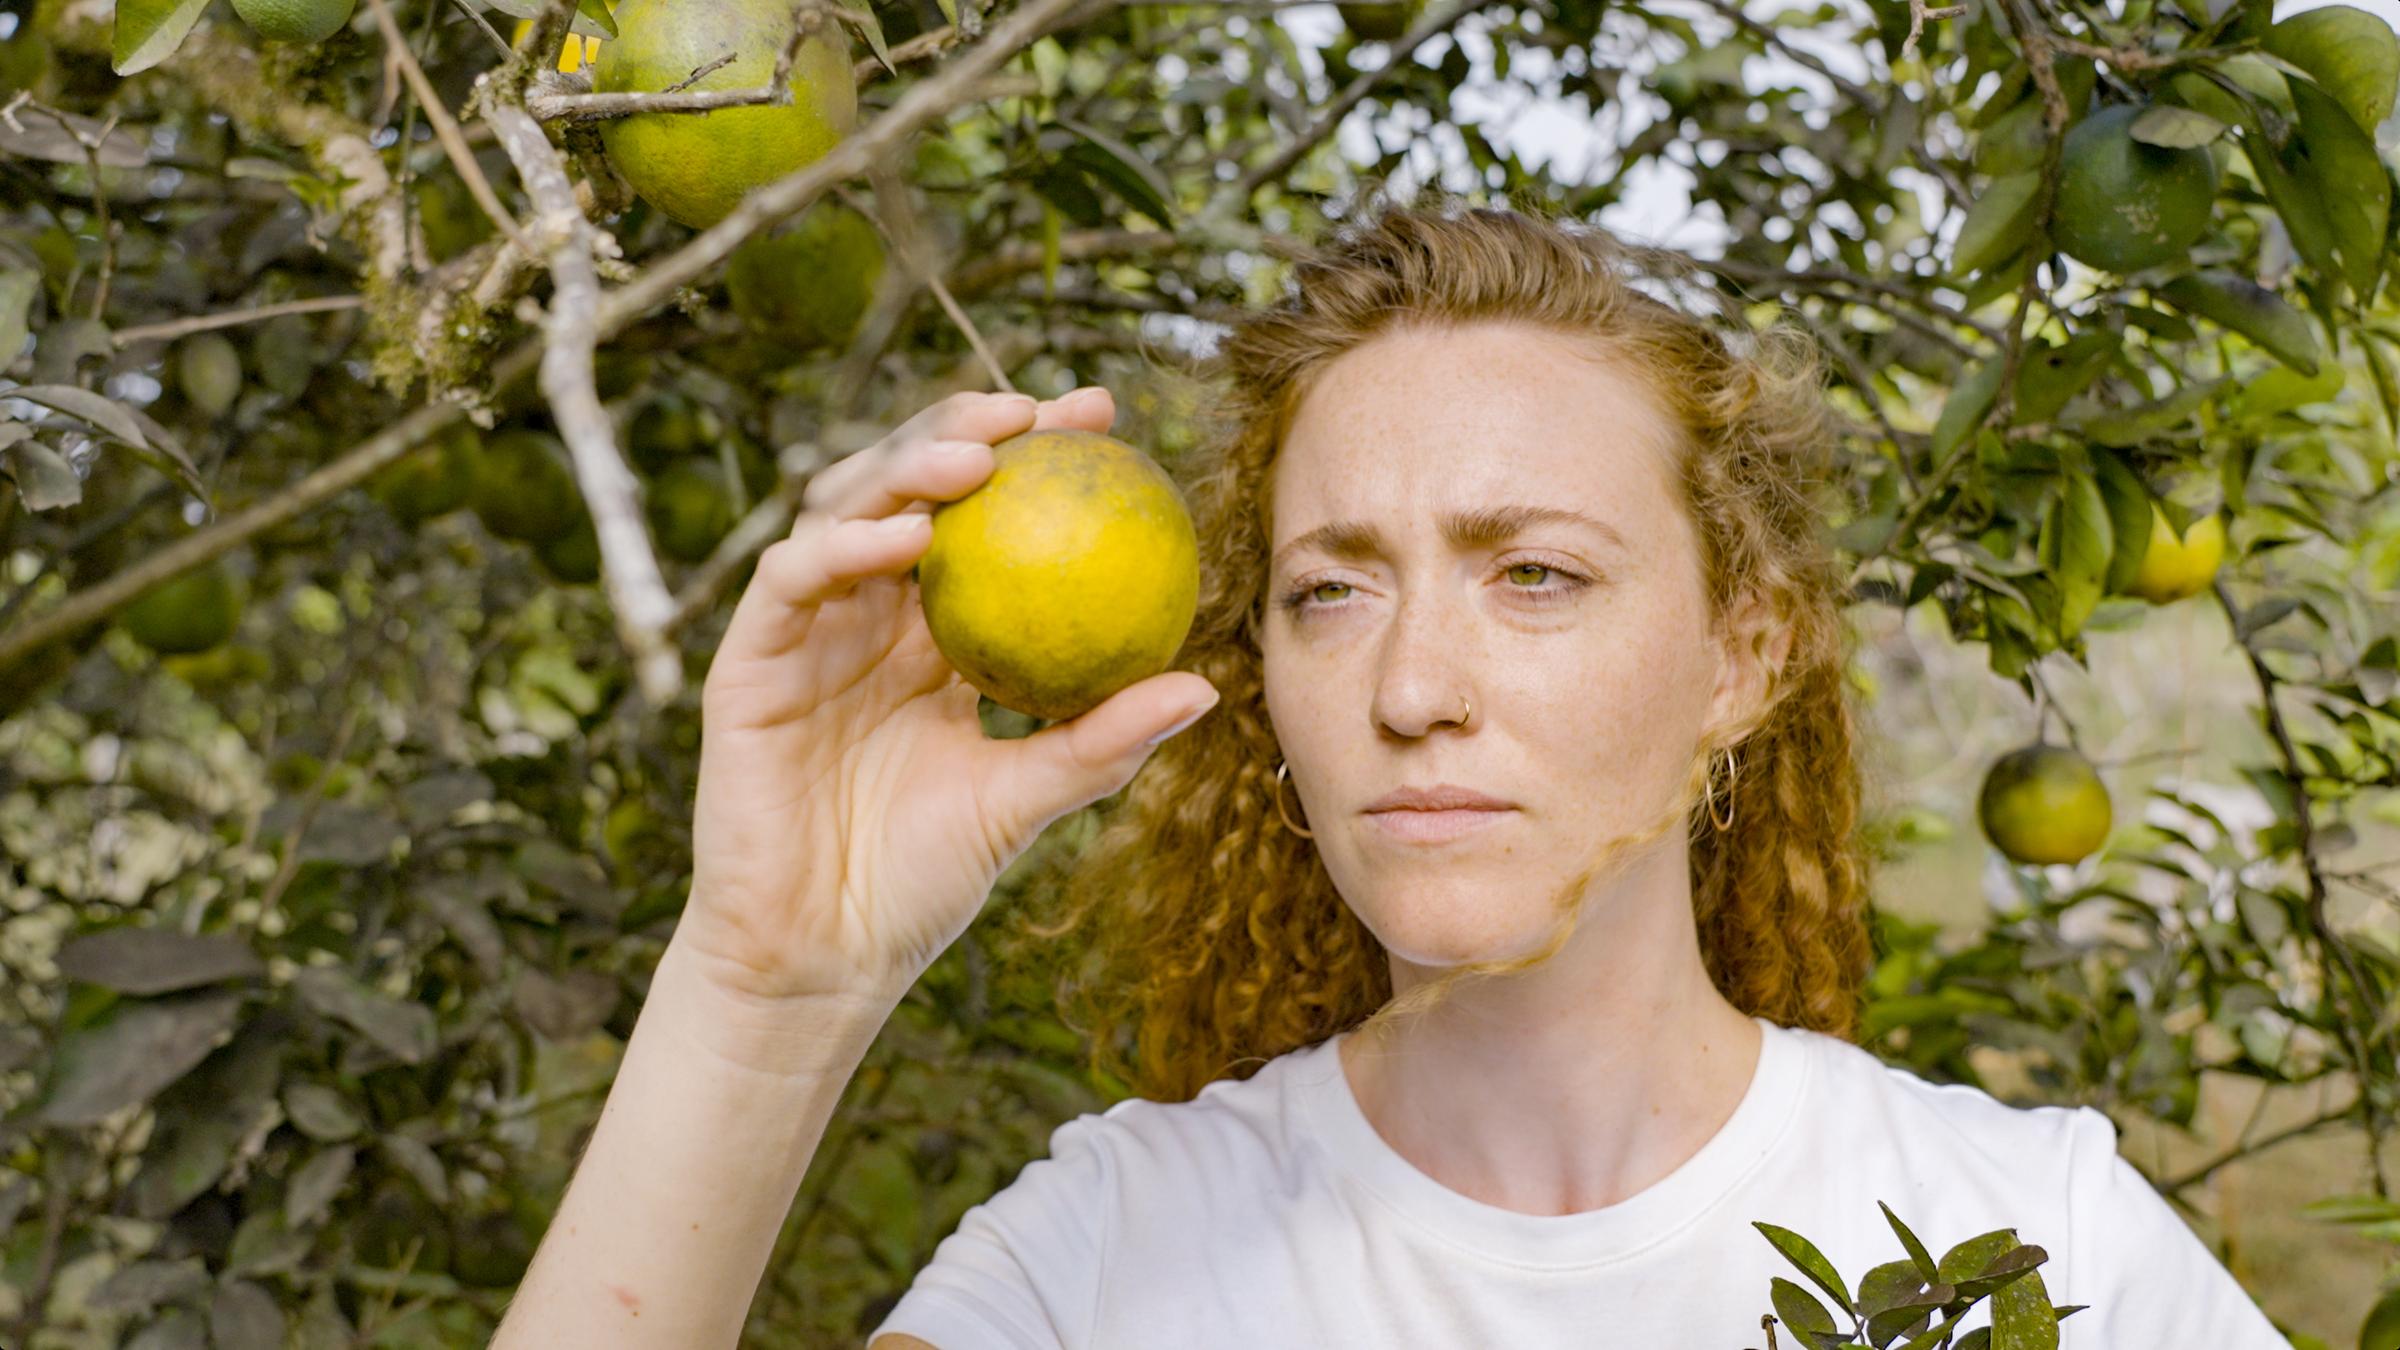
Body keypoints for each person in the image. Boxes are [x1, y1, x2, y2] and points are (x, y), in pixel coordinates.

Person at [489, 197, 2295, 1349]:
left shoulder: (2025, 1236)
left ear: (1740, 652)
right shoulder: (1115, 1257)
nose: (1415, 685)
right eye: (1331, 587)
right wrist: (767, 983)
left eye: (1536, 574)